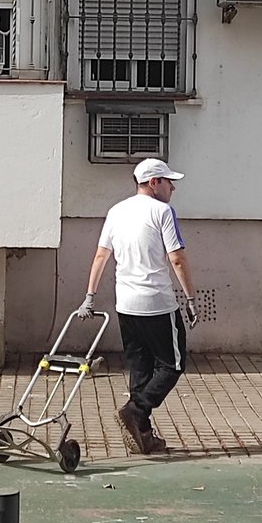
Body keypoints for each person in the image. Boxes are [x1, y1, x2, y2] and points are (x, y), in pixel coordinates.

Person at [76, 157, 198, 456]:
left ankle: (143, 434)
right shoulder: (162, 212)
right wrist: (190, 299)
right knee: (173, 364)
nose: (173, 188)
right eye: (169, 182)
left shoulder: (116, 211)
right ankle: (136, 410)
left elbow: (101, 256)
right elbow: (177, 258)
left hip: (126, 304)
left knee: (140, 368)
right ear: (154, 182)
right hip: (157, 304)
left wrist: (90, 296)